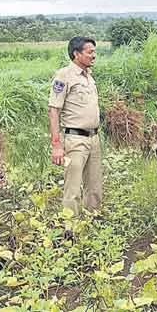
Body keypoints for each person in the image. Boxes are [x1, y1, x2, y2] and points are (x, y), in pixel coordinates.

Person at [48, 36, 103, 217]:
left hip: (94, 138)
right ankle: (70, 229)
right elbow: (54, 110)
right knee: (73, 188)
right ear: (76, 54)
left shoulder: (89, 77)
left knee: (94, 187)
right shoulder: (63, 76)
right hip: (75, 140)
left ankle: (93, 222)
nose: (94, 56)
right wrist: (56, 145)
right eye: (90, 52)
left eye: (94, 52)